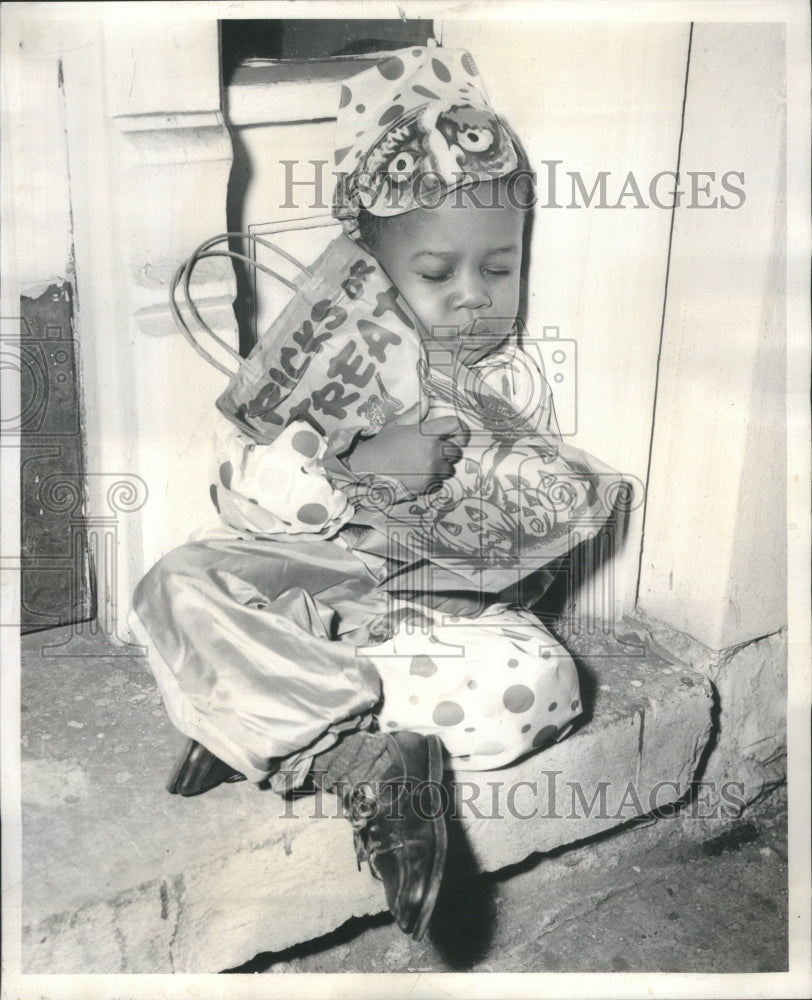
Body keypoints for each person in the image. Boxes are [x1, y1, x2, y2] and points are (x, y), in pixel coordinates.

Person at [130, 46, 613, 942]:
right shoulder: (315, 352)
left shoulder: (517, 382)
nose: (472, 298)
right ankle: (344, 746)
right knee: (172, 582)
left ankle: (285, 729)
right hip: (302, 580)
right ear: (363, 266)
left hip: (415, 617)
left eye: (498, 269)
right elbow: (237, 490)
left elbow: (527, 552)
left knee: (542, 680)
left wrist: (515, 520)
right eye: (436, 274)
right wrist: (351, 466)